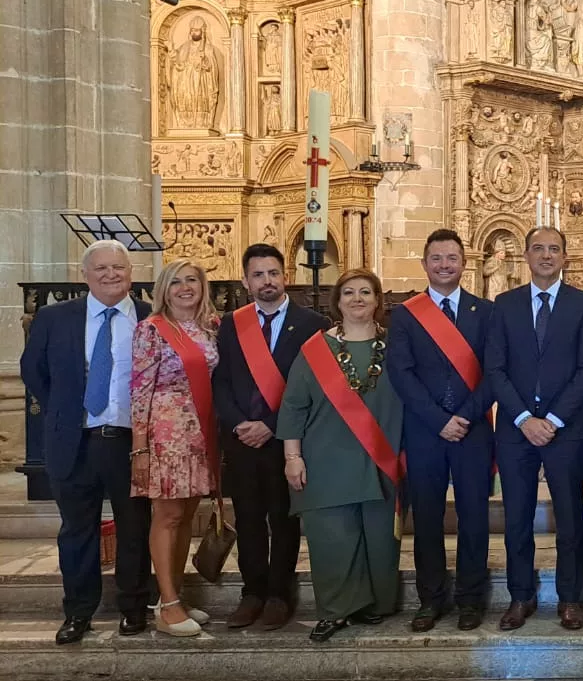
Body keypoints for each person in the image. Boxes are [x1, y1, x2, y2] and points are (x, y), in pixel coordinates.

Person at [21, 239, 154, 644]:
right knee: (77, 531)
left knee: (135, 528)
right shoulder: (54, 318)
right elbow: (34, 372)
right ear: (85, 275)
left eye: (119, 267)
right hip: (74, 441)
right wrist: (65, 411)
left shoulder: (152, 317)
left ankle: (133, 608)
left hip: (131, 443)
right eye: (101, 269)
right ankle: (78, 612)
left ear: (131, 273)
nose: (111, 274)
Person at [279, 269, 406, 642]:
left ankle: (372, 604)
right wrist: (292, 456)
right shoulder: (315, 350)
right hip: (326, 458)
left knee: (380, 538)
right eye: (348, 292)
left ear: (378, 301)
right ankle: (336, 610)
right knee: (332, 537)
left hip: (382, 460)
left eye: (366, 292)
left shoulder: (397, 349)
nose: (357, 299)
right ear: (337, 302)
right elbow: (293, 406)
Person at [487, 226, 583, 631]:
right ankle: (521, 596)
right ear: (526, 255)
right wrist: (524, 418)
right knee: (517, 517)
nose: (546, 255)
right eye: (538, 248)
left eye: (555, 248)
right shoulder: (504, 304)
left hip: (564, 429)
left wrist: (552, 420)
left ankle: (570, 598)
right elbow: (495, 368)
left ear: (565, 257)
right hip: (517, 429)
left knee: (570, 517)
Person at [213, 244, 329, 630]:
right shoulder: (232, 324)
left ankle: (280, 594)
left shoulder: (311, 323)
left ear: (285, 276)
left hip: (287, 441)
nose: (267, 281)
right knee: (247, 519)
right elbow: (222, 382)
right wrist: (239, 424)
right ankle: (252, 592)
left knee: (283, 519)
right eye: (259, 275)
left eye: (274, 273)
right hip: (242, 441)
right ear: (246, 281)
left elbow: (317, 389)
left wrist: (272, 425)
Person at [389, 229, 496, 632]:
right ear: (425, 263)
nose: (444, 265)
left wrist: (465, 417)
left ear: (464, 262)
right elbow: (402, 374)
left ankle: (470, 599)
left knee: (474, 517)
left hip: (472, 430)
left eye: (452, 257)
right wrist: (439, 420)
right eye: (437, 258)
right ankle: (431, 599)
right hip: (424, 432)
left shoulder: (485, 312)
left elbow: (494, 373)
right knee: (428, 518)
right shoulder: (405, 314)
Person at [130, 259, 221, 637]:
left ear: (202, 287)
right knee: (166, 516)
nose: (185, 288)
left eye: (192, 281)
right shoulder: (151, 330)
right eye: (176, 282)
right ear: (163, 290)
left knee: (186, 517)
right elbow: (138, 391)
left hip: (200, 432)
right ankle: (166, 605)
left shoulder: (210, 327)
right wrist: (140, 449)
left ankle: (176, 597)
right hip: (164, 434)